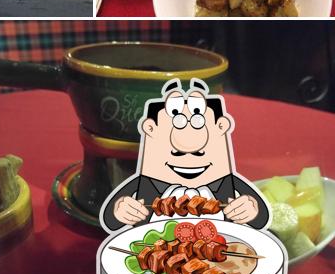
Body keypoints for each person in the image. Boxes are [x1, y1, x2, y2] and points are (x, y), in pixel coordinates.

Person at [100, 77, 269, 231]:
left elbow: (261, 218)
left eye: (198, 153)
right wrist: (120, 211)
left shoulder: (228, 183)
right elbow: (110, 219)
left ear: (221, 127)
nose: (187, 147)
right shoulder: (145, 184)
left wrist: (251, 209)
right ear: (150, 129)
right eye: (177, 153)